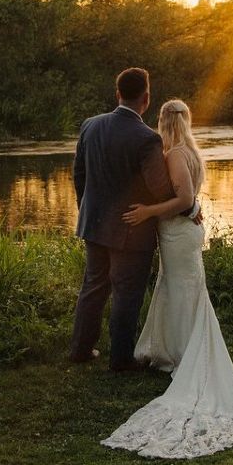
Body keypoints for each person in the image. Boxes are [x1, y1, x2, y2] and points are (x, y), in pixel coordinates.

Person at [102, 98, 233, 459]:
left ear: (163, 121)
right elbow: (192, 201)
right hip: (181, 234)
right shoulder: (189, 151)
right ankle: (174, 349)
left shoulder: (174, 155)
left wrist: (147, 212)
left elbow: (185, 199)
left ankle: (185, 354)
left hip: (177, 234)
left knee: (184, 290)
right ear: (186, 122)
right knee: (177, 289)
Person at [69, 67, 176, 371]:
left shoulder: (90, 125)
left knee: (93, 286)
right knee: (127, 293)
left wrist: (88, 209)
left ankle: (80, 349)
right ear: (147, 98)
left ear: (117, 94)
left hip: (94, 223)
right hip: (132, 229)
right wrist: (184, 200)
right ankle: (120, 359)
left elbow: (79, 175)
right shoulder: (147, 138)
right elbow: (161, 189)